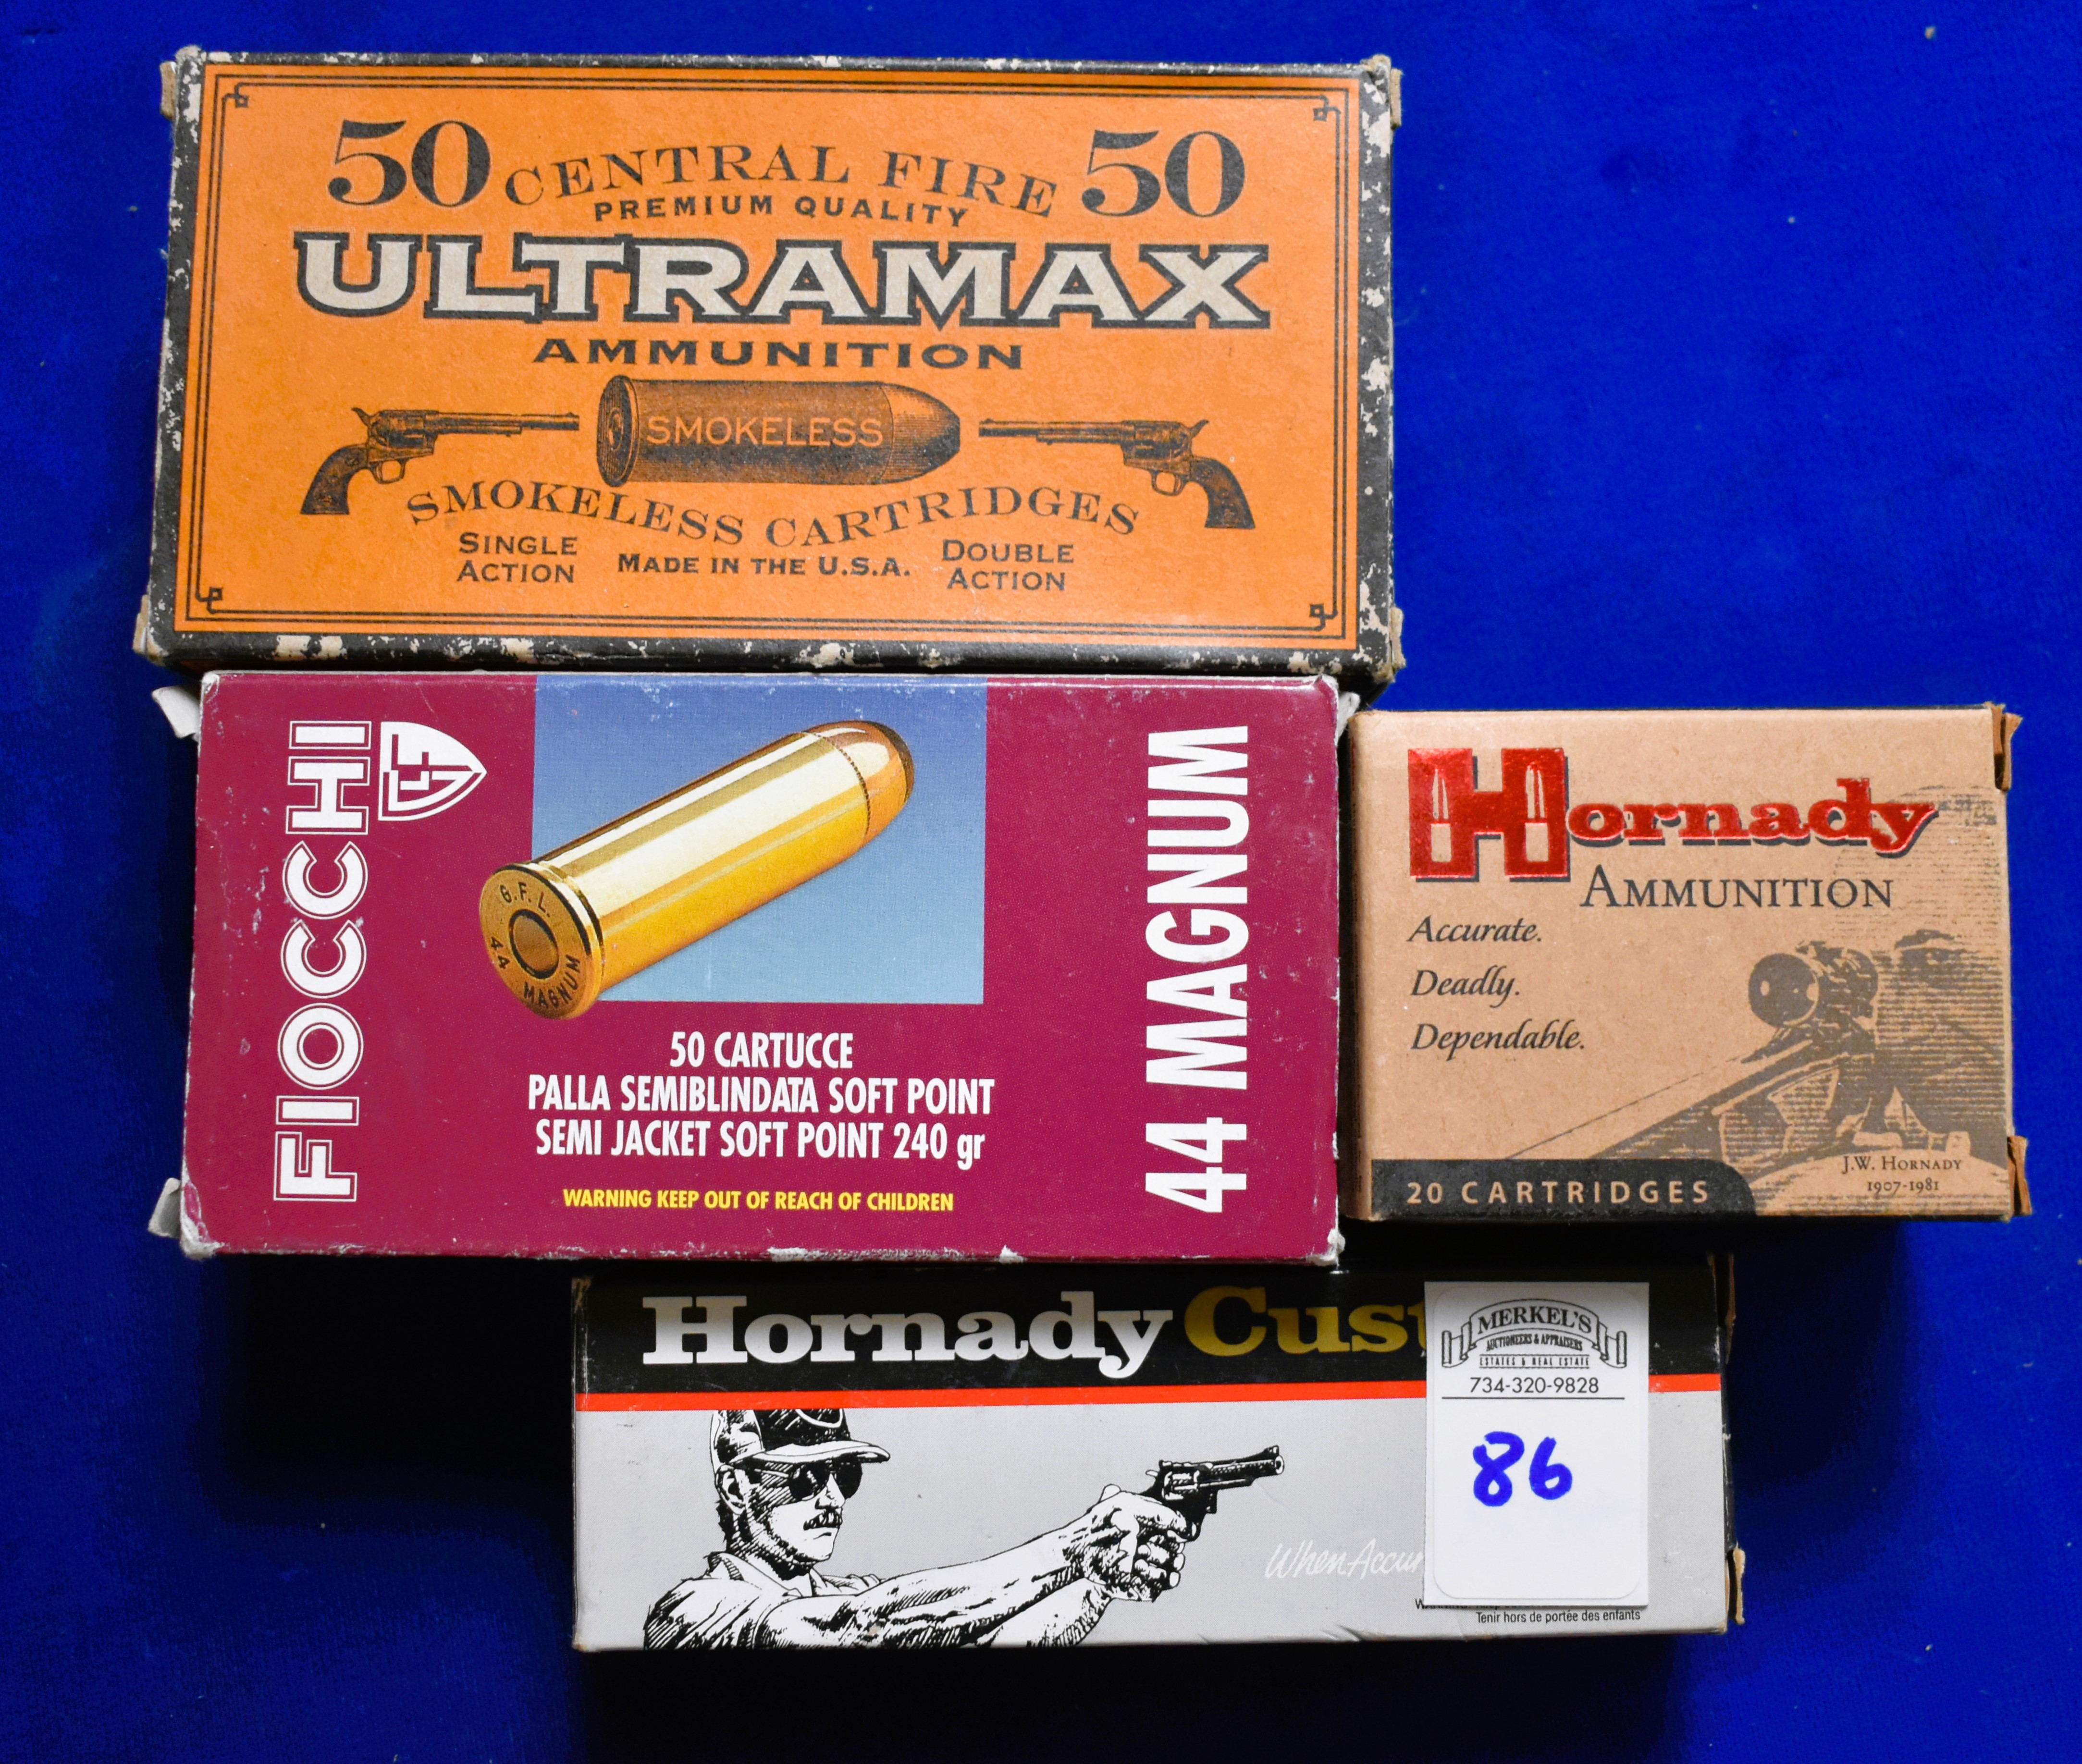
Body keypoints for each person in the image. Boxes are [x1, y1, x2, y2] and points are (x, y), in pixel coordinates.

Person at [644, 1407, 1190, 1648]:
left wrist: (1096, 1579)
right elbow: (858, 1627)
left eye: (844, 1474)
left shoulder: (853, 1592)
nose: (832, 1498)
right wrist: (1073, 1549)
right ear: (736, 1488)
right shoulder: (693, 1610)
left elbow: (997, 1641)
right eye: (806, 1477)